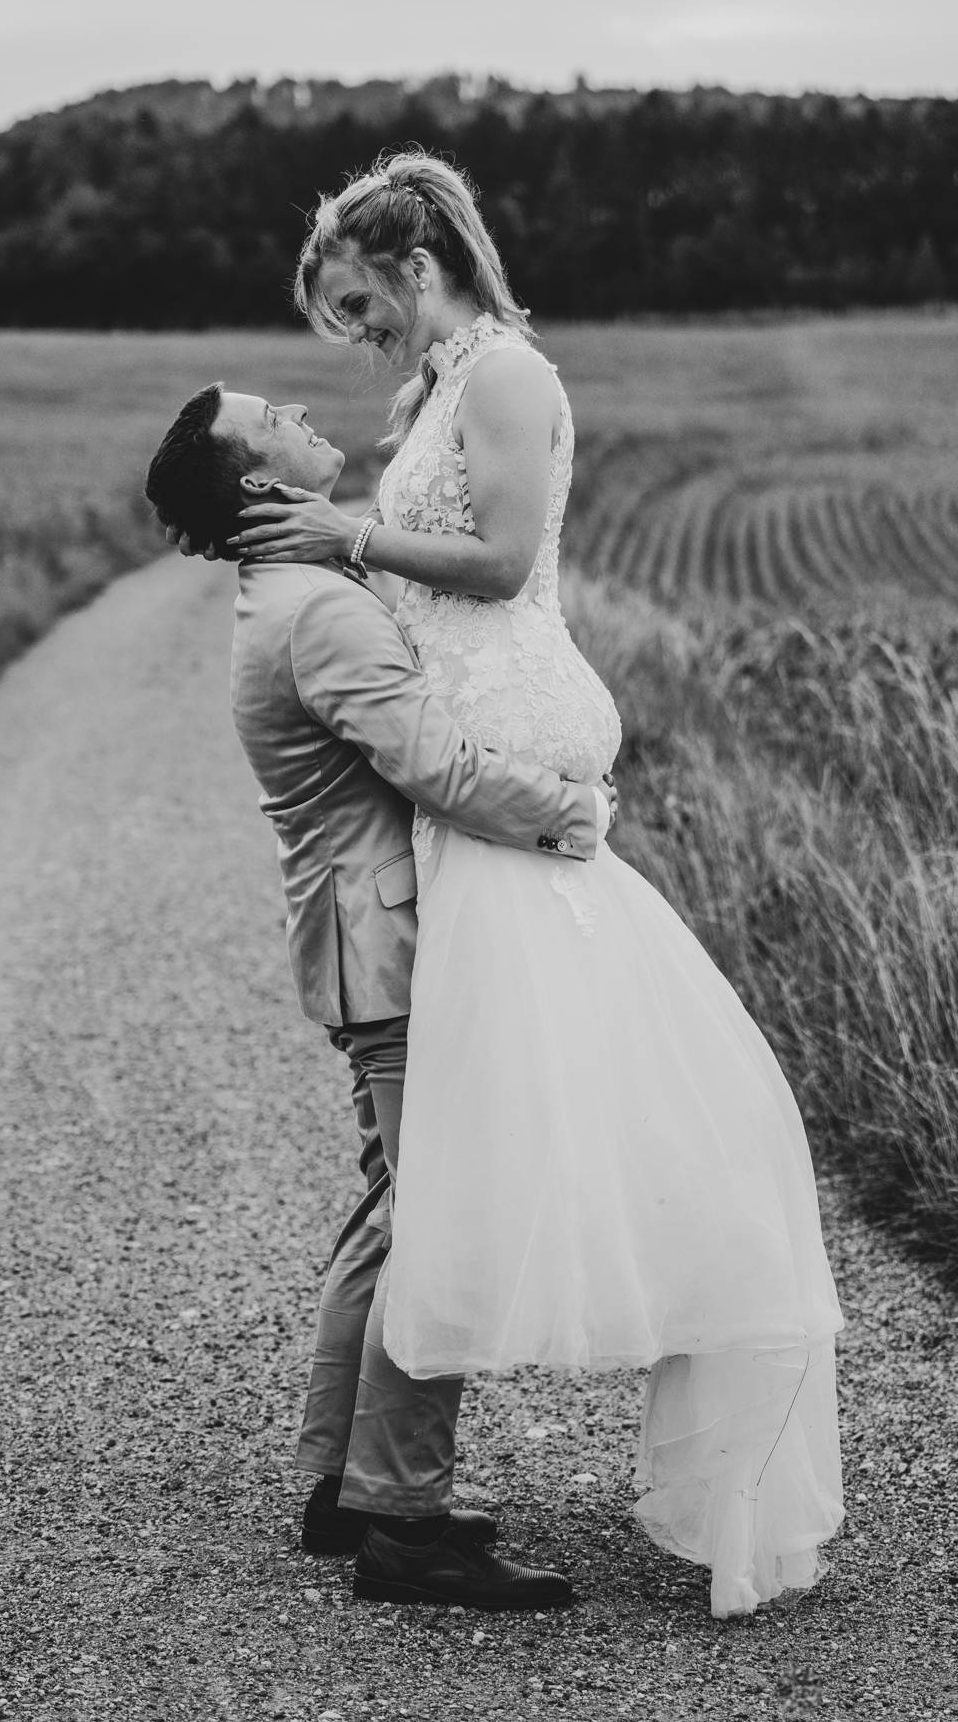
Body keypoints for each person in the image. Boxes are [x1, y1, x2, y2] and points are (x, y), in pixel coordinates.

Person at [225, 151, 846, 1618]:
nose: (357, 338)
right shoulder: (436, 385)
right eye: (339, 321)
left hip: (506, 790)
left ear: (419, 251)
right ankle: (378, 1495)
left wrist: (346, 537)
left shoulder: (503, 377)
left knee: (524, 1148)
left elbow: (501, 565)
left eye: (361, 304)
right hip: (471, 802)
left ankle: (391, 1492)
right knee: (437, 1166)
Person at [145, 384, 616, 1611]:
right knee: (438, 1221)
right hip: (393, 950)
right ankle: (405, 1521)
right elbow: (436, 767)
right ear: (261, 486)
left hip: (367, 944)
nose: (302, 408)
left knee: (396, 1211)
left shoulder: (290, 595)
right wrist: (569, 812)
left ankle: (342, 1485)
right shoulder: (315, 612)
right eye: (274, 416)